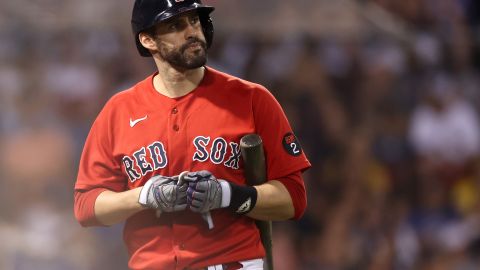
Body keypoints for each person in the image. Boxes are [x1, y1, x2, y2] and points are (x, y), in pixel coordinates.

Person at [73, 0, 311, 269]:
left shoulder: (252, 99)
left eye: (194, 21)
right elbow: (86, 206)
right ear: (148, 40)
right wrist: (143, 196)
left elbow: (293, 199)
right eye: (175, 25)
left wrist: (227, 194)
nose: (192, 31)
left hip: (233, 263)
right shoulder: (119, 110)